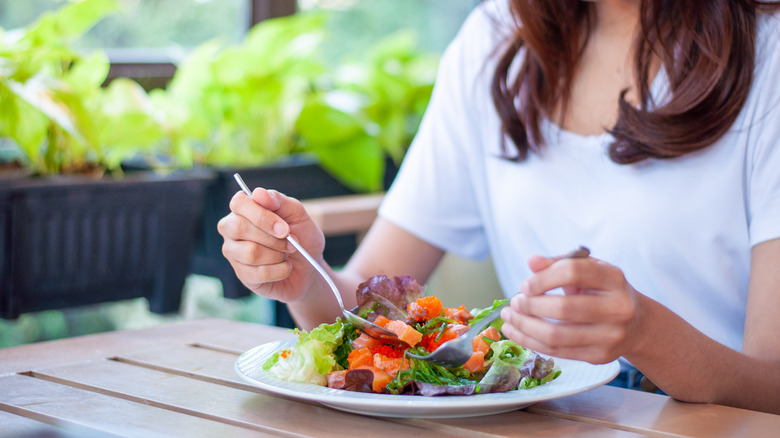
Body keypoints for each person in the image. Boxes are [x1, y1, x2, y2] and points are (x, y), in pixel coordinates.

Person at [218, 0, 780, 414]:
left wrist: (646, 334)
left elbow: (772, 385)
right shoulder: (496, 41)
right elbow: (365, 299)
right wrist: (305, 277)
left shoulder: (769, 51)